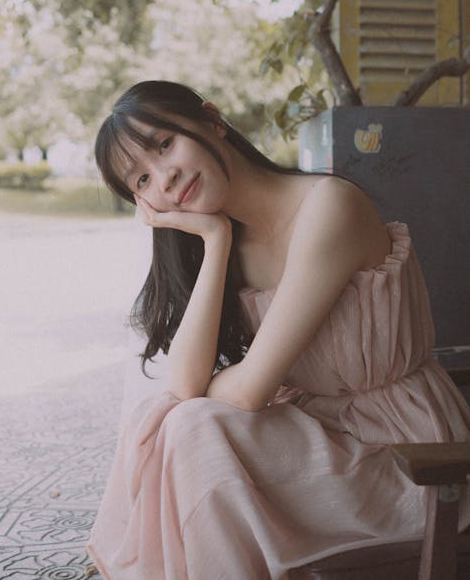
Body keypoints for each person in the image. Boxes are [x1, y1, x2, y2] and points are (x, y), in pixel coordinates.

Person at [87, 80, 470, 580]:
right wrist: (216, 240)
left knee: (192, 428)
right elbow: (184, 387)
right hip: (325, 442)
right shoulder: (229, 239)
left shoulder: (328, 206)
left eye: (164, 144)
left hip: (408, 456)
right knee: (187, 423)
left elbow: (248, 393)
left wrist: (214, 390)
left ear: (212, 119)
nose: (165, 176)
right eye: (140, 181)